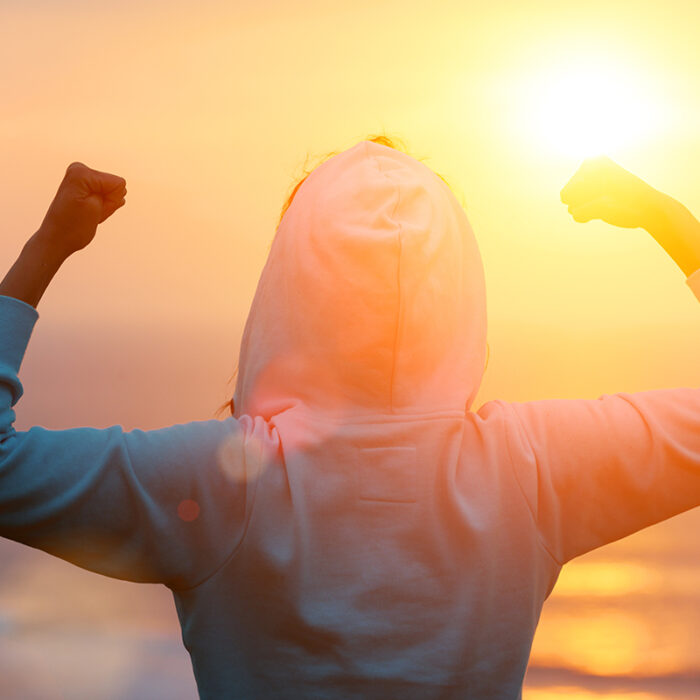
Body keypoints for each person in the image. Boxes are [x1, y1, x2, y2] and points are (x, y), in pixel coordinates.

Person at [0, 137, 699, 700]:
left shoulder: (218, 485)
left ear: (290, 288)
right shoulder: (530, 470)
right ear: (456, 293)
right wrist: (673, 223)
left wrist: (46, 248)